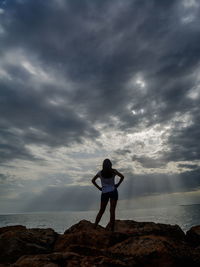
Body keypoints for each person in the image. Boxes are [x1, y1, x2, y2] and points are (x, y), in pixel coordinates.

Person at [91, 158, 124, 231]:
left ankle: (94, 227)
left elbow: (93, 181)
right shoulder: (114, 171)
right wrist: (117, 184)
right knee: (112, 211)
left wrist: (99, 188)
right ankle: (112, 230)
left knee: (101, 210)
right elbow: (122, 177)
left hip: (104, 192)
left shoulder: (100, 173)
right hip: (113, 191)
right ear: (110, 165)